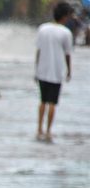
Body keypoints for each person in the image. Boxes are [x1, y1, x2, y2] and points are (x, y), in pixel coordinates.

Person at [35, 2, 73, 142]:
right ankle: (48, 130)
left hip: (42, 71)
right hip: (56, 72)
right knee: (52, 102)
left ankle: (39, 129)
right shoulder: (65, 33)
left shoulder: (42, 29)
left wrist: (36, 69)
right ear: (65, 16)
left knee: (42, 101)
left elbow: (38, 51)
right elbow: (68, 54)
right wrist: (69, 71)